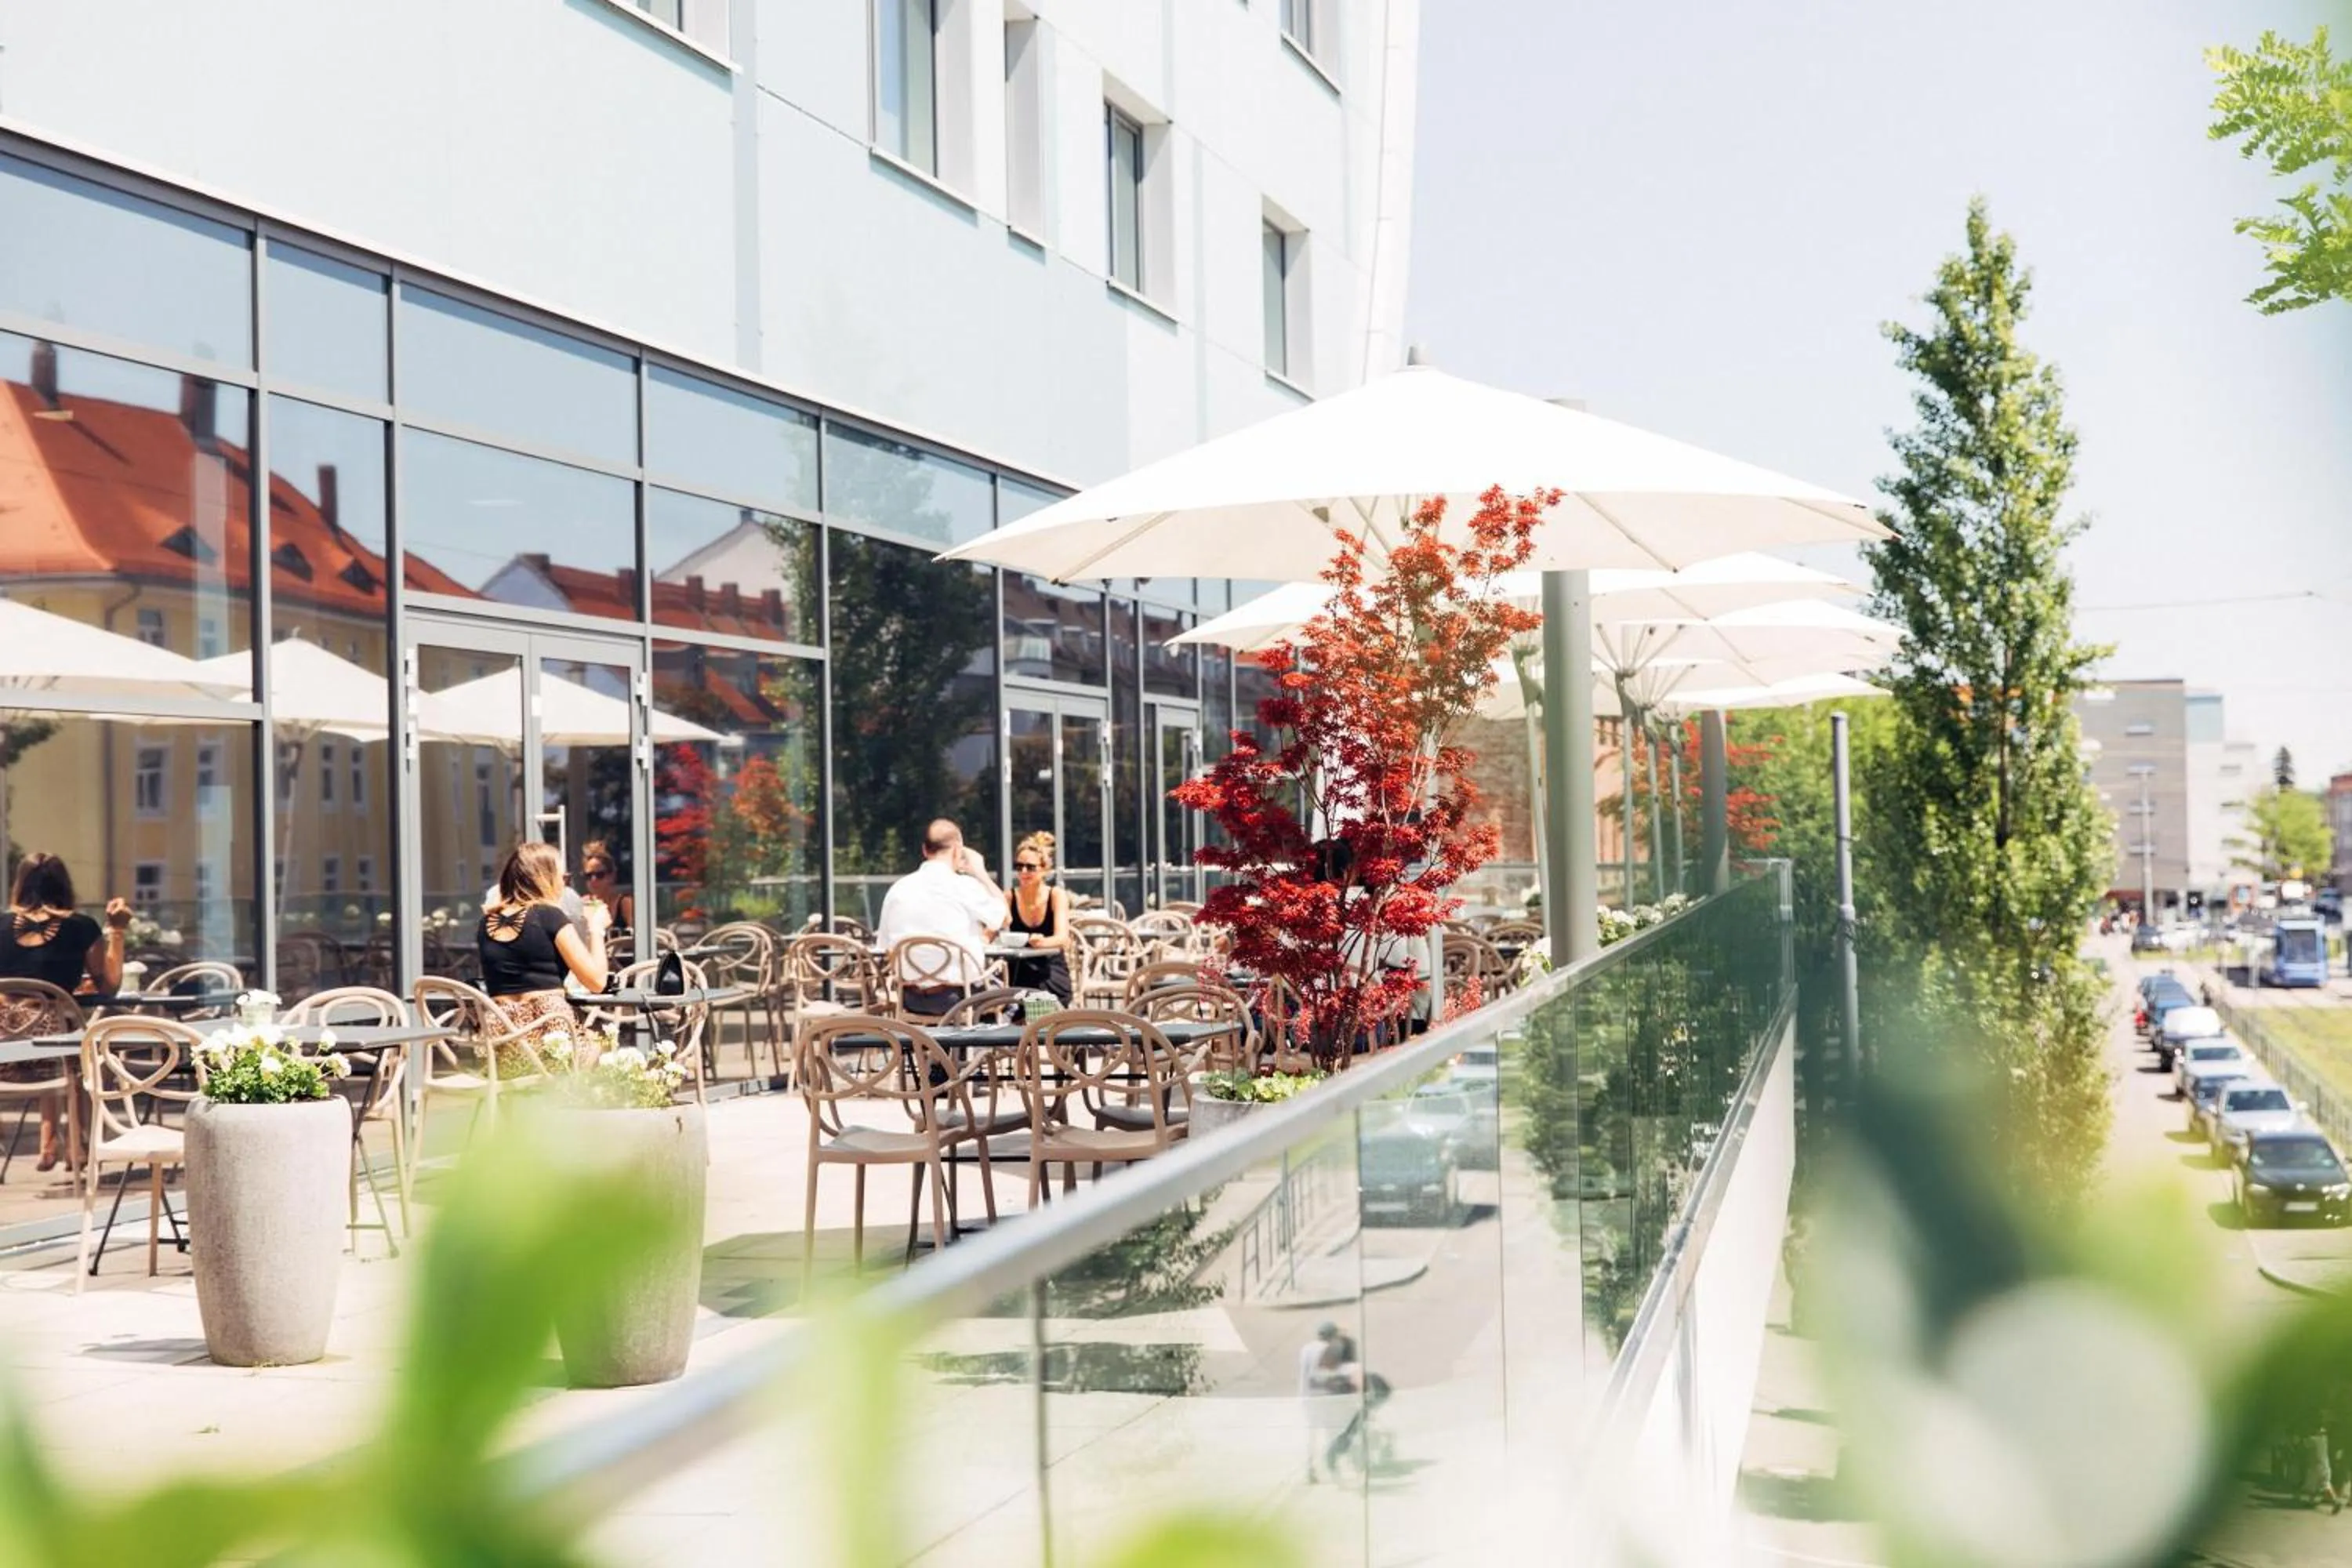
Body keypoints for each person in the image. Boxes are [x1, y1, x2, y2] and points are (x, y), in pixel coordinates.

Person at [0, 854, 130, 1171]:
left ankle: (51, 1142)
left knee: (64, 1037)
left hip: (6, 1052)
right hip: (53, 1052)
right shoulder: (80, 927)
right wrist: (117, 930)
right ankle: (78, 1145)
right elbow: (109, 986)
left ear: (20, 884)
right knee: (83, 1051)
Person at [476, 842, 609, 1045]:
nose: (564, 885)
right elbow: (597, 982)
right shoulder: (549, 916)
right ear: (546, 879)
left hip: (501, 1046)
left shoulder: (486, 923)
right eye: (563, 878)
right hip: (549, 1042)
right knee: (607, 1044)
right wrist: (596, 928)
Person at [873, 819, 1005, 1018]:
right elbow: (1003, 917)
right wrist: (981, 873)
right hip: (959, 999)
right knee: (1013, 1001)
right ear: (957, 851)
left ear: (925, 851)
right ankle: (973, 1049)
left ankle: (940, 1049)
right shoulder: (964, 886)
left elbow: (884, 946)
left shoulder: (898, 889)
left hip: (909, 999)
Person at [1003, 830, 1074, 1004]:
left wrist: (1041, 942)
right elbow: (990, 932)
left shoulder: (1056, 895)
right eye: (1019, 866)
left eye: (1030, 867)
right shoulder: (1009, 897)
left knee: (1042, 993)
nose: (1024, 872)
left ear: (1045, 870)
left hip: (1050, 970)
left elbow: (1063, 939)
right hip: (1018, 972)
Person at [579, 843, 634, 941]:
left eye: (599, 875)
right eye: (588, 876)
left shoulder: (625, 903)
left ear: (612, 875)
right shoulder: (582, 904)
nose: (593, 880)